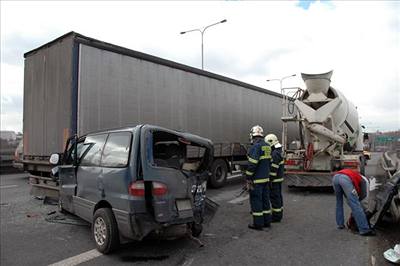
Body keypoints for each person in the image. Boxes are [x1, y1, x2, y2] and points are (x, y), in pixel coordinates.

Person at [332, 168, 375, 236]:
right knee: (356, 204)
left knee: (339, 202)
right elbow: (363, 198)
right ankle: (364, 230)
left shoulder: (355, 176)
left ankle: (340, 224)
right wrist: (363, 210)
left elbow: (349, 197)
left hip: (335, 178)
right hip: (345, 179)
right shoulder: (365, 181)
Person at [246, 125, 272, 230]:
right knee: (265, 200)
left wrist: (248, 176)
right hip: (266, 178)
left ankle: (258, 224)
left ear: (253, 135)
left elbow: (253, 164)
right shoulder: (267, 145)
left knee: (256, 201)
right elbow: (270, 162)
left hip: (257, 180)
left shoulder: (255, 147)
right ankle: (267, 222)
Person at [265, 134, 284, 222]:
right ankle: (279, 213)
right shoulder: (278, 151)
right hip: (278, 179)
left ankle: (276, 217)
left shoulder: (275, 154)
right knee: (278, 197)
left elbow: (273, 169)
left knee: (274, 198)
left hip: (275, 180)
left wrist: (270, 179)